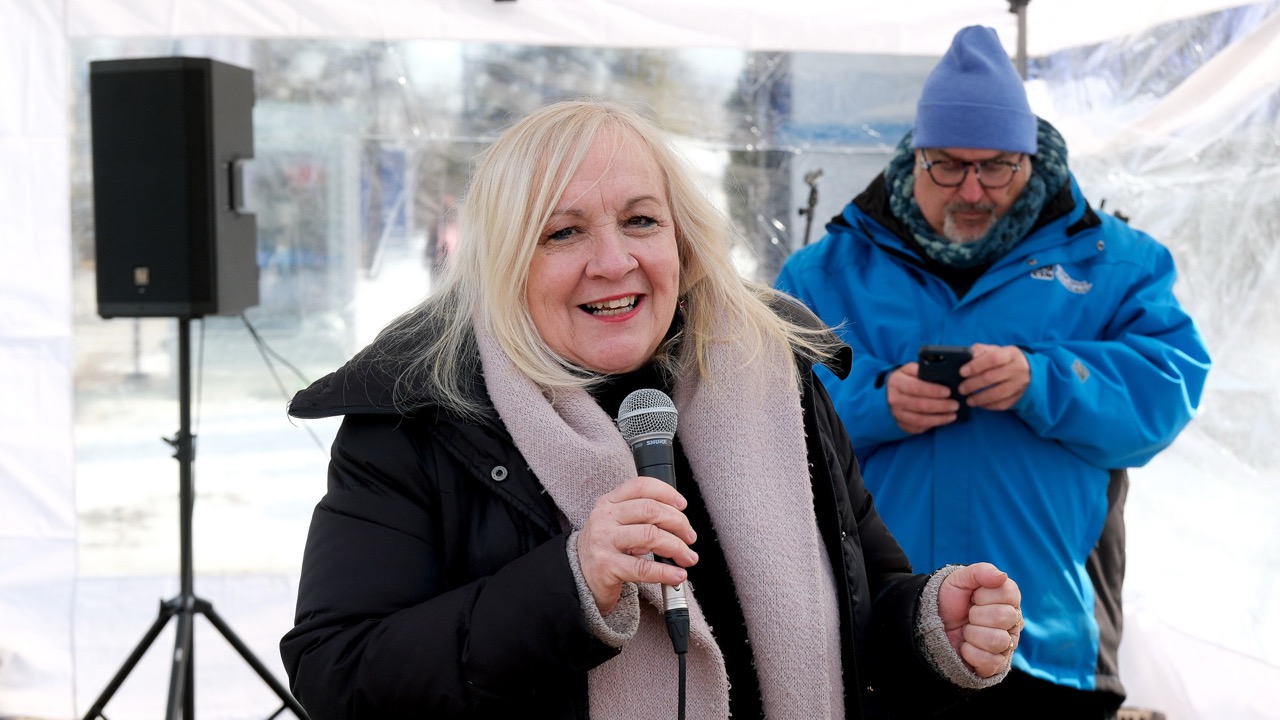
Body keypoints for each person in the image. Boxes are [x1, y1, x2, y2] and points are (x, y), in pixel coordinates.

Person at [281, 98, 1023, 720]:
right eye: (563, 232)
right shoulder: (420, 418)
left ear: (683, 239)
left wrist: (927, 625)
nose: (614, 262)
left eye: (640, 221)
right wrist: (570, 583)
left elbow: (860, 605)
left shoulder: (771, 374)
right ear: (504, 262)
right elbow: (336, 675)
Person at [775, 26, 1211, 720]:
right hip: (880, 635)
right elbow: (765, 409)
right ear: (914, 156)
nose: (973, 189)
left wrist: (1044, 381)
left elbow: (1167, 392)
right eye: (949, 166)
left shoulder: (1115, 263)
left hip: (1049, 642)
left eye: (998, 167)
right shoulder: (825, 272)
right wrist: (874, 401)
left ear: (1030, 158)